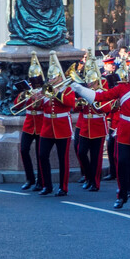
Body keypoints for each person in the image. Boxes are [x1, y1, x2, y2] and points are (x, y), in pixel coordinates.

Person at [71, 54, 130, 210]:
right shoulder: (122, 87)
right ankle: (121, 195)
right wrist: (81, 89)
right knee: (122, 164)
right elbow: (101, 96)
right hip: (124, 132)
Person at [37, 53, 76, 197]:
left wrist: (57, 93)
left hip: (62, 127)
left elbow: (70, 103)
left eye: (53, 78)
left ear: (60, 77)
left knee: (62, 159)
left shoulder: (67, 89)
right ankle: (47, 185)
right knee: (42, 155)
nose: (51, 80)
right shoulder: (46, 90)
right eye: (50, 78)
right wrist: (38, 98)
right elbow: (38, 107)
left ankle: (63, 187)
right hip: (47, 127)